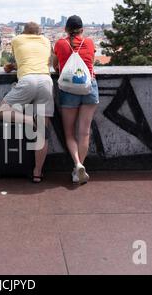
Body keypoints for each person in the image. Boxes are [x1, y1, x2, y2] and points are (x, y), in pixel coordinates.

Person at [0, 22, 53, 183]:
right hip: (46, 80)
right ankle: (37, 173)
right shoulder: (45, 41)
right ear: (39, 33)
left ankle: (29, 120)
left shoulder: (17, 40)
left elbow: (23, 59)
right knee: (43, 133)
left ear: (24, 32)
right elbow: (39, 59)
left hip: (28, 80)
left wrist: (11, 67)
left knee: (1, 111)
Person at [53, 15, 99, 185]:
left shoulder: (60, 44)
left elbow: (55, 66)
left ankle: (77, 163)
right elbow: (91, 63)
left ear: (66, 28)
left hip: (68, 89)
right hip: (89, 86)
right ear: (82, 29)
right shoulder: (89, 42)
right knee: (84, 132)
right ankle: (79, 168)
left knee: (69, 133)